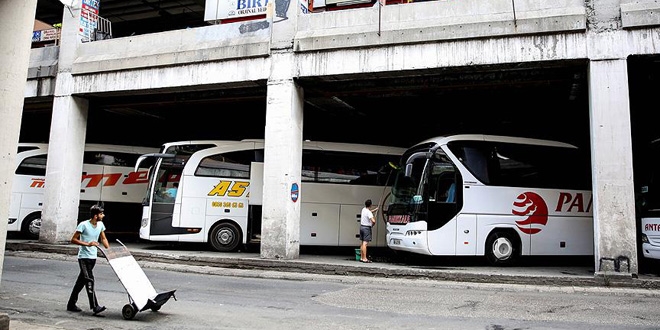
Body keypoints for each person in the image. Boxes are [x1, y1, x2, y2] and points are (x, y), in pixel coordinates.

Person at [67, 205, 109, 315]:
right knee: (90, 279)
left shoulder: (100, 225)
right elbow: (73, 239)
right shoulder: (83, 225)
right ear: (95, 216)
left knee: (81, 282)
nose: (103, 216)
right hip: (84, 257)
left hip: (93, 257)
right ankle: (95, 306)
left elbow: (103, 238)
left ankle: (71, 304)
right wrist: (88, 244)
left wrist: (108, 249)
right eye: (101, 214)